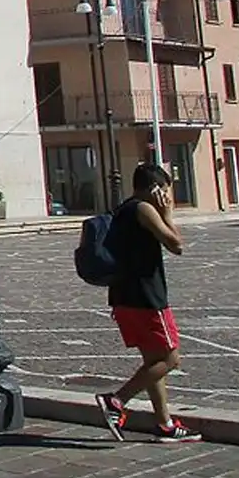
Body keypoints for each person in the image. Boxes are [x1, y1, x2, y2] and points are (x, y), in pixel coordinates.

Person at [95, 162, 201, 443]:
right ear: (155, 189)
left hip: (124, 297)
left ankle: (164, 424)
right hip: (146, 299)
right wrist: (167, 214)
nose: (167, 196)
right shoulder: (143, 210)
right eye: (165, 190)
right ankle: (116, 401)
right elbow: (176, 244)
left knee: (152, 362)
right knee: (170, 358)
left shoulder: (124, 209)